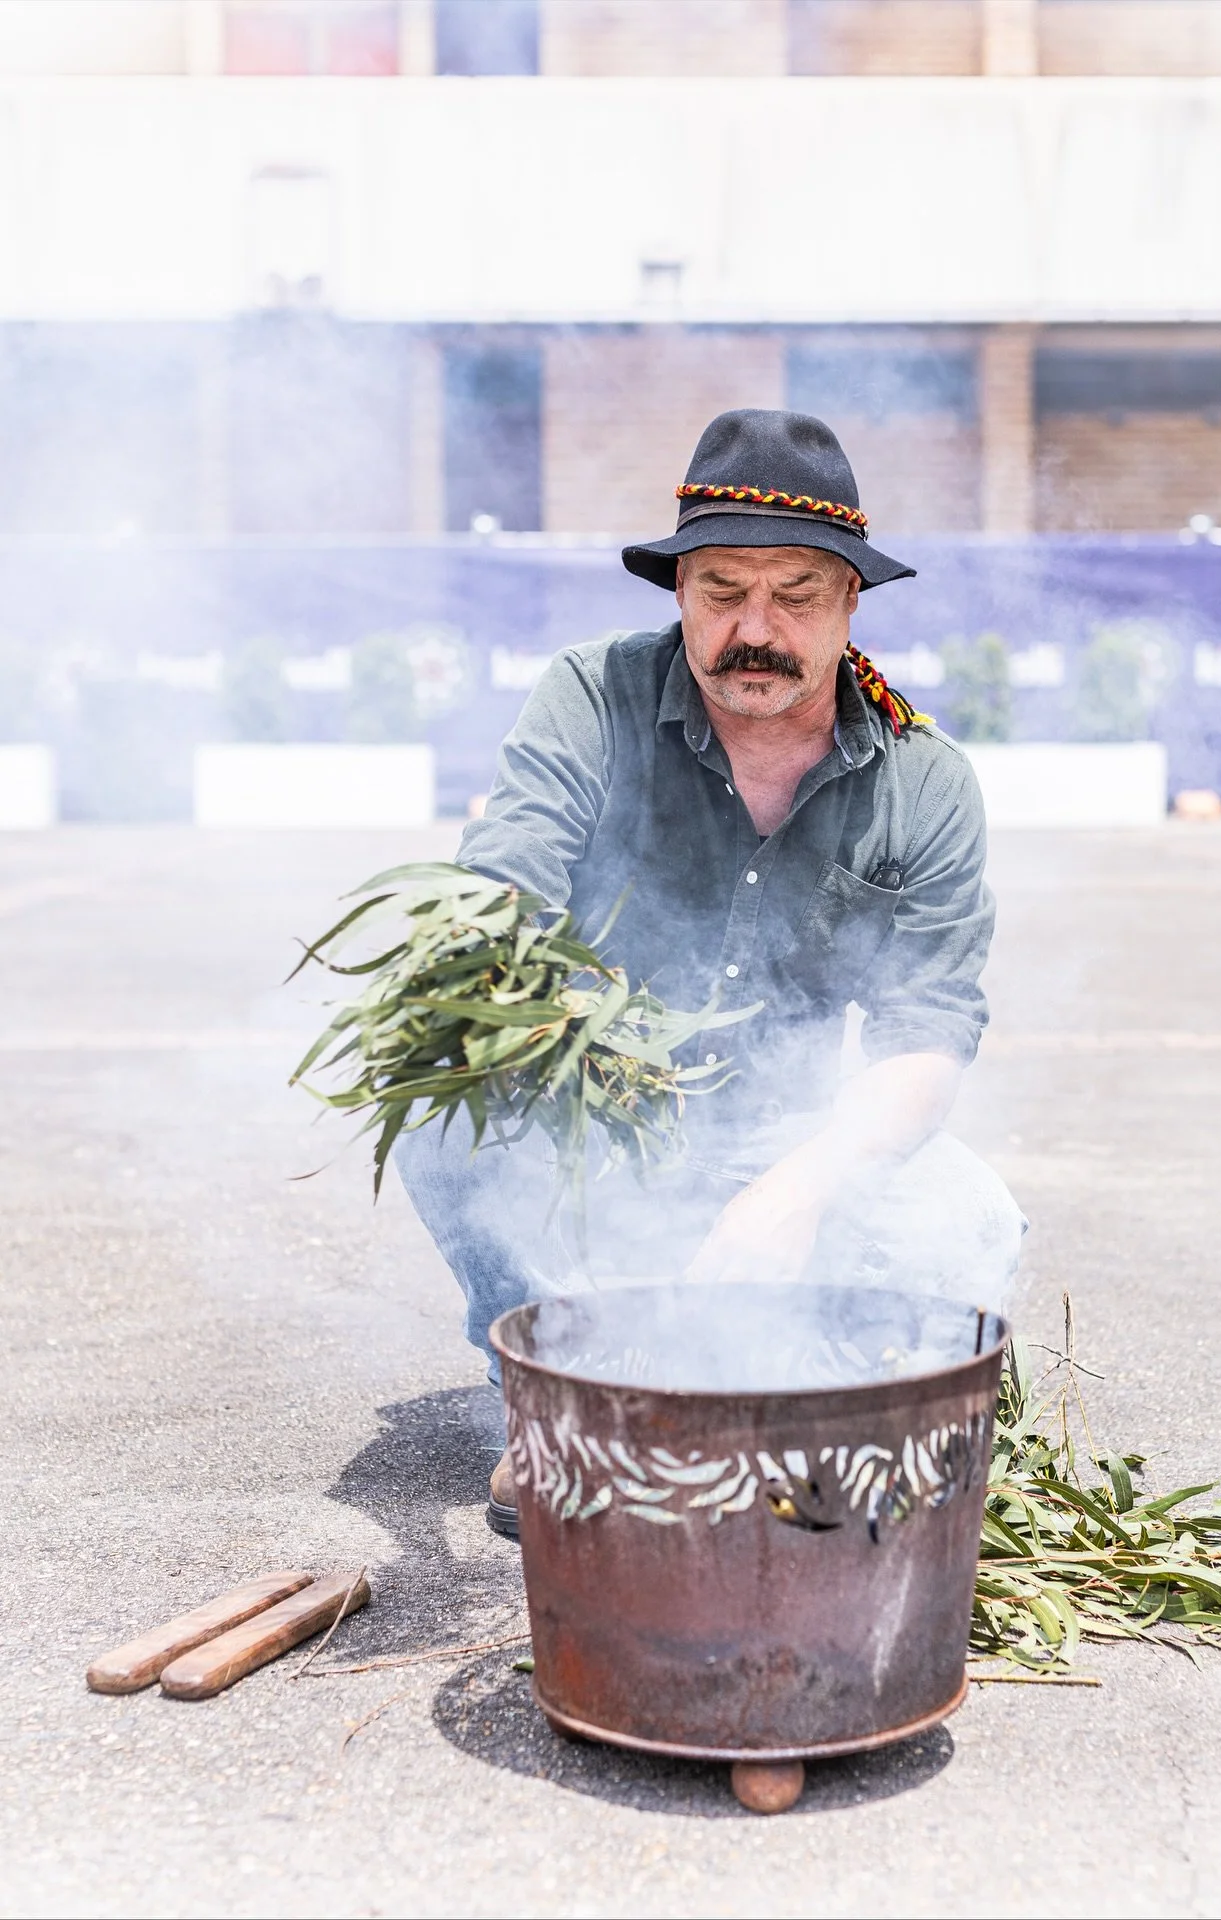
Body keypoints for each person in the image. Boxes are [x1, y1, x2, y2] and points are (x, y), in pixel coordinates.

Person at [396, 408, 1025, 1535]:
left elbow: (924, 1039)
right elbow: (508, 876)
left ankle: (794, 1410)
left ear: (851, 604)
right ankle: (553, 1411)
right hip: (588, 1117)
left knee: (973, 1221)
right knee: (449, 1115)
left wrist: (796, 1189)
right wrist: (493, 972)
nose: (755, 628)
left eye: (796, 595)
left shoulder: (924, 781)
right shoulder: (594, 695)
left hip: (784, 1136)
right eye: (723, 588)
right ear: (679, 590)